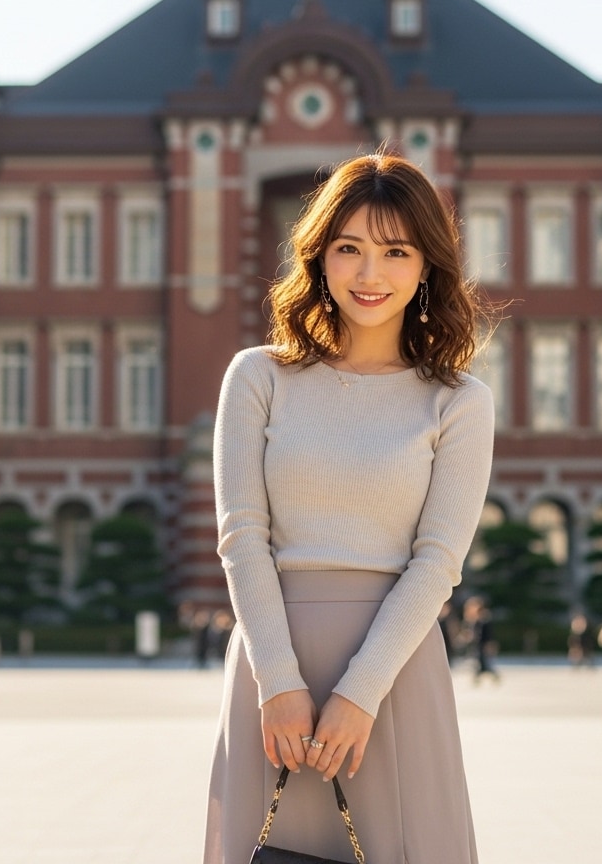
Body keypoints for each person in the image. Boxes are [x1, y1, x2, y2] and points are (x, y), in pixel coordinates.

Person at [203, 153, 496, 864]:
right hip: (273, 670)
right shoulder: (257, 376)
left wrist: (360, 694)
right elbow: (242, 537)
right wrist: (278, 683)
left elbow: (437, 563)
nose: (370, 275)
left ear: (426, 265)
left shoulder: (458, 401)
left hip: (393, 677)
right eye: (350, 249)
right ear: (320, 257)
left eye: (395, 252)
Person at [463, 596, 500, 684]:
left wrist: (490, 644)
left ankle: (489, 676)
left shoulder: (485, 619)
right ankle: (478, 677)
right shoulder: (474, 620)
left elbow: (489, 634)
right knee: (479, 662)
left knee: (485, 662)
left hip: (484, 644)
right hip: (477, 645)